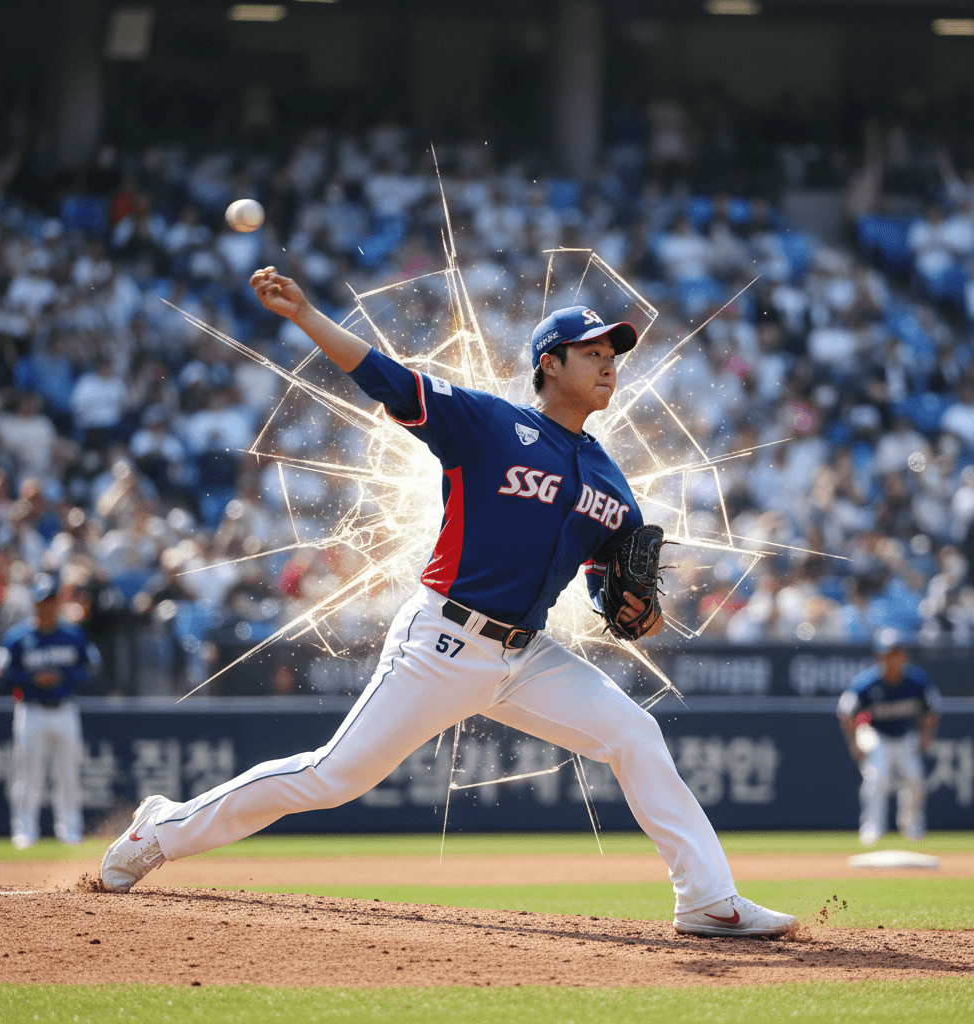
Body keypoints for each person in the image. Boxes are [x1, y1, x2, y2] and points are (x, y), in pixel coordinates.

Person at [100, 266, 798, 938]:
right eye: (592, 351)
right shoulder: (488, 426)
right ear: (550, 363)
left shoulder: (612, 483)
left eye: (613, 351)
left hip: (525, 655)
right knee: (333, 775)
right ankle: (159, 829)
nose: (609, 362)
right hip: (443, 641)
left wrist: (635, 612)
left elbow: (607, 588)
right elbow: (388, 379)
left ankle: (707, 900)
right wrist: (306, 315)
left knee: (635, 734)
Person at [0, 572, 103, 848]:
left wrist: (63, 676)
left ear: (58, 603)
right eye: (42, 601)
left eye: (51, 601)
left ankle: (70, 830)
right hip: (31, 710)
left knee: (68, 774)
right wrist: (32, 679)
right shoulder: (18, 637)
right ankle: (25, 831)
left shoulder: (72, 634)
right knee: (28, 774)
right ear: (34, 604)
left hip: (65, 710)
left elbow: (94, 668)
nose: (47, 606)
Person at [837, 628, 941, 845]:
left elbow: (932, 709)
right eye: (887, 654)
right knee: (877, 776)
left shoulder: (916, 681)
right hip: (877, 734)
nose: (892, 658)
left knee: (914, 778)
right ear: (879, 656)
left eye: (896, 653)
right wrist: (854, 742)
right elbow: (845, 711)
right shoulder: (866, 683)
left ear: (904, 656)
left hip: (905, 736)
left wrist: (926, 736)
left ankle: (911, 825)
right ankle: (872, 828)